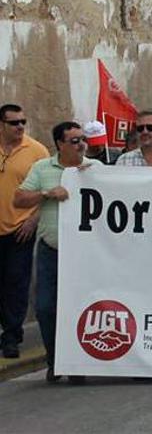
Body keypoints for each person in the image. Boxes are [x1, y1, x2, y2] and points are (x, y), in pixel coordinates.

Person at [13, 121, 99, 383]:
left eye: (82, 139)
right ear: (60, 144)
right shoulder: (42, 168)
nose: (81, 144)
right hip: (53, 251)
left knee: (84, 308)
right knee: (46, 308)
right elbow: (18, 199)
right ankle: (55, 360)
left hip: (86, 255)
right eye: (73, 140)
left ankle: (78, 362)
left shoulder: (97, 169)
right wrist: (48, 193)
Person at [0, 103, 49, 359]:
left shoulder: (36, 151)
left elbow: (49, 190)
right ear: (2, 125)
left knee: (16, 283)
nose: (20, 127)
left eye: (23, 122)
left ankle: (11, 336)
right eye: (14, 123)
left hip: (20, 229)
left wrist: (33, 220)